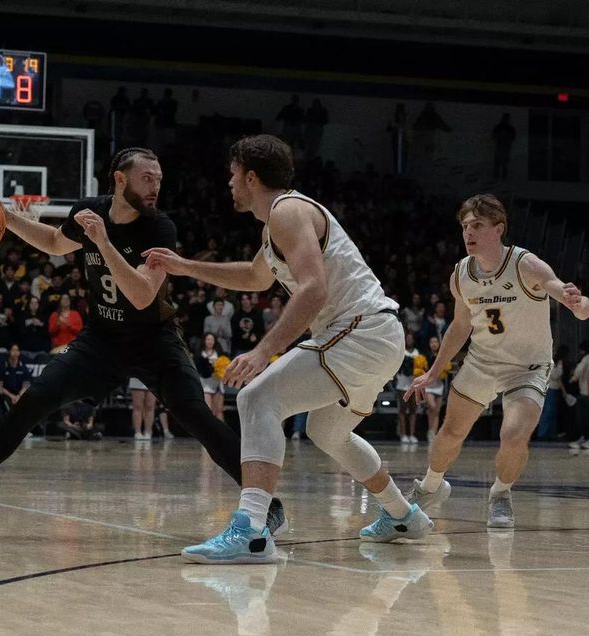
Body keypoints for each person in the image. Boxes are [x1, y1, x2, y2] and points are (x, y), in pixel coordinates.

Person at [0, 147, 285, 533]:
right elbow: (54, 244)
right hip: (101, 340)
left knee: (198, 418)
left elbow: (143, 294)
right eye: (148, 178)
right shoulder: (88, 211)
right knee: (34, 399)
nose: (155, 187)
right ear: (119, 179)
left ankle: (268, 504)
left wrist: (104, 243)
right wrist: (7, 217)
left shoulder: (160, 228)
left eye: (159, 180)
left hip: (154, 340)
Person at [145, 135, 428, 563]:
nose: (230, 183)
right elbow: (256, 277)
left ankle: (252, 532)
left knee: (258, 396)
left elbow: (314, 289)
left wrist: (263, 352)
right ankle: (402, 514)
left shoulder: (288, 211)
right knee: (326, 432)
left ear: (252, 177)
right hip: (375, 337)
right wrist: (184, 267)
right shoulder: (277, 223)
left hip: (360, 331)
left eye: (234, 174)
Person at [404, 194, 589, 529]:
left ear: (498, 229)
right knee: (449, 433)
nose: (468, 233)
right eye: (464, 226)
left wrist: (579, 305)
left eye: (476, 225)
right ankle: (430, 488)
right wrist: (433, 372)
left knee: (514, 434)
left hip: (528, 367)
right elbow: (460, 326)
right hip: (482, 362)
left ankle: (500, 494)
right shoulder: (461, 274)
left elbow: (569, 297)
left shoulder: (525, 264)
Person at [196, 333, 227, 421]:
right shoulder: (199, 354)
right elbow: (199, 369)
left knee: (219, 411)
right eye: (208, 339)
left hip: (217, 384)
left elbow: (225, 366)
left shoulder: (219, 353)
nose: (210, 341)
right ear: (204, 341)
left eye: (212, 339)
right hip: (205, 384)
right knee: (208, 410)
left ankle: (223, 433)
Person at [0, 344, 33, 409]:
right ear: (8, 352)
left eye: (17, 350)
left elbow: (25, 386)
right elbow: (0, 387)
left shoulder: (23, 367)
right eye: (13, 350)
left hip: (19, 395)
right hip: (7, 395)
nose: (15, 353)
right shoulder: (2, 367)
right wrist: (12, 396)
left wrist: (18, 396)